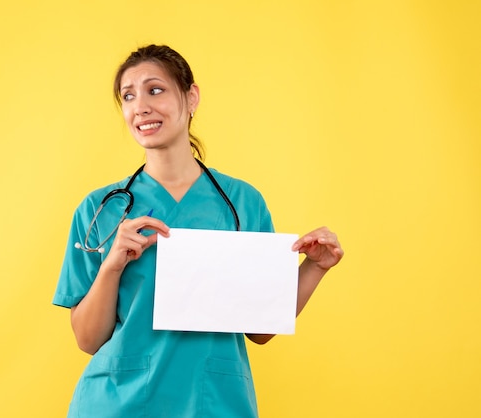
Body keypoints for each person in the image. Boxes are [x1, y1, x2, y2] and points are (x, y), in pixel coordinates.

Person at [53, 44, 344, 417]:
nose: (140, 105)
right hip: (117, 404)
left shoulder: (242, 203)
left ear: (191, 97)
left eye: (155, 90)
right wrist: (112, 265)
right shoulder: (101, 209)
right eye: (128, 96)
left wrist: (315, 267)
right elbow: (88, 340)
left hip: (214, 403)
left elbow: (261, 329)